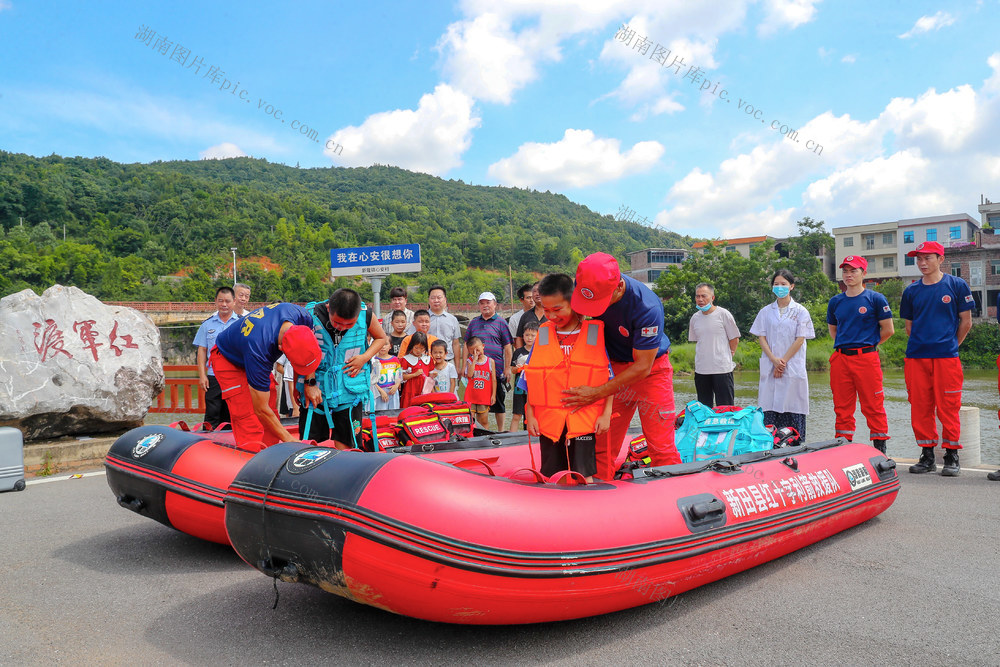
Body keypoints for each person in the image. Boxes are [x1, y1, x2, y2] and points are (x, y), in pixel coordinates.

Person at [563, 253, 680, 480]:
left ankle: (673, 497)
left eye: (599, 303)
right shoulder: (588, 284)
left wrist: (595, 393)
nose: (593, 309)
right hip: (611, 368)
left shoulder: (647, 307)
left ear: (618, 287)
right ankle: (597, 493)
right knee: (602, 440)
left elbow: (642, 367)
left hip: (650, 373)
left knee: (660, 445)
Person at [524, 274, 613, 483]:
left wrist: (606, 414)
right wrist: (531, 416)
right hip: (549, 419)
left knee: (584, 473)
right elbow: (530, 381)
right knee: (556, 473)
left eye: (557, 309)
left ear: (573, 303)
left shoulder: (594, 333)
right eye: (546, 310)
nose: (552, 315)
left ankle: (586, 510)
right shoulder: (543, 335)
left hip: (582, 417)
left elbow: (608, 378)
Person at [900, 241, 973, 476]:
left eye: (927, 258)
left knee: (948, 407)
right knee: (920, 406)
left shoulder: (957, 285)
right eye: (918, 259)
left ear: (941, 259)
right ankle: (927, 455)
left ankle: (952, 455)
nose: (922, 263)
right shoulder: (911, 291)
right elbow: (909, 327)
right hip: (917, 357)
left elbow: (966, 322)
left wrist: (951, 345)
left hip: (946, 358)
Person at [211, 302, 322, 448]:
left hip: (249, 349)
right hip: (228, 359)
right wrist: (291, 441)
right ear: (281, 350)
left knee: (272, 409)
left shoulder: (302, 316)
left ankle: (272, 452)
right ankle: (252, 457)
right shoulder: (259, 351)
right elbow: (261, 410)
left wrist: (307, 383)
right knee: (249, 417)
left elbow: (305, 353)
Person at [299, 288, 388, 448]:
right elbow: (302, 351)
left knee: (349, 442)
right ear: (328, 309)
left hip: (350, 390)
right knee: (311, 443)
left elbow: (381, 338)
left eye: (350, 324)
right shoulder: (310, 315)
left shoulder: (366, 314)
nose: (342, 327)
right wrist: (308, 384)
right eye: (337, 322)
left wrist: (364, 358)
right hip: (317, 387)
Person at [826, 256, 894, 454]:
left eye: (853, 271)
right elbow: (834, 330)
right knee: (842, 405)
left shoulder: (875, 299)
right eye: (845, 271)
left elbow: (888, 330)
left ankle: (880, 449)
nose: (848, 275)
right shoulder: (835, 302)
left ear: (864, 273)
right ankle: (843, 446)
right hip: (841, 358)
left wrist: (869, 344)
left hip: (866, 358)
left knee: (873, 404)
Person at [750, 269, 816, 441]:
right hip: (770, 365)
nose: (779, 287)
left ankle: (795, 445)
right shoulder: (765, 311)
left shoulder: (800, 311)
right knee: (769, 407)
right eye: (776, 284)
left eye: (783, 284)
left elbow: (800, 339)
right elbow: (761, 337)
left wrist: (782, 362)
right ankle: (769, 447)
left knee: (792, 405)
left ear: (791, 286)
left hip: (792, 366)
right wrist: (773, 360)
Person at [465, 292, 513, 431]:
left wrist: (507, 368)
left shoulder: (501, 322)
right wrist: (463, 366)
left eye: (488, 302)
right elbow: (466, 344)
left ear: (495, 304)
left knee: (498, 401)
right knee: (474, 403)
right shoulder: (474, 322)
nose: (485, 305)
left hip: (495, 370)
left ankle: (501, 430)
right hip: (476, 373)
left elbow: (507, 346)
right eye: (482, 303)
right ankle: (476, 431)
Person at [687, 282, 741, 408]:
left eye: (704, 296)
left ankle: (726, 428)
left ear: (712, 298)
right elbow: (698, 340)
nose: (700, 299)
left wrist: (729, 354)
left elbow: (734, 338)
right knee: (704, 408)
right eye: (697, 296)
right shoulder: (695, 318)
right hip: (702, 369)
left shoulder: (723, 314)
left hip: (722, 368)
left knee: (726, 408)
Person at [193, 286, 239, 428]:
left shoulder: (241, 323)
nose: (224, 305)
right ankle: (209, 443)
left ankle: (230, 446)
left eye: (227, 301)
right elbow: (202, 351)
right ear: (215, 301)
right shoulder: (207, 325)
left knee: (232, 414)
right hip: (213, 376)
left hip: (235, 376)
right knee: (212, 413)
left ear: (234, 301)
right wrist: (202, 375)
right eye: (220, 301)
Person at [427, 285, 465, 380]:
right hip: (427, 363)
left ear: (445, 299)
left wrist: (457, 366)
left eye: (439, 297)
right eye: (433, 298)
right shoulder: (422, 318)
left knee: (449, 392)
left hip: (448, 362)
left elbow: (455, 344)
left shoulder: (452, 319)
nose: (436, 300)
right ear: (429, 300)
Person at [510, 321, 538, 431]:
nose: (529, 338)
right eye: (527, 335)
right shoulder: (518, 352)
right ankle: (512, 438)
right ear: (523, 336)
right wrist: (518, 368)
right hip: (519, 389)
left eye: (532, 335)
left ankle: (531, 437)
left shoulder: (540, 351)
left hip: (534, 389)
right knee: (517, 415)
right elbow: (512, 369)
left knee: (532, 415)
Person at [464, 336, 496, 428]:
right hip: (471, 396)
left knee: (484, 420)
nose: (476, 353)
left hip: (484, 396)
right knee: (470, 420)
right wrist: (474, 360)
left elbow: (494, 379)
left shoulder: (490, 361)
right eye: (473, 351)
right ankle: (472, 437)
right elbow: (469, 375)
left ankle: (485, 437)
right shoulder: (470, 361)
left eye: (477, 349)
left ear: (483, 346)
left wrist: (493, 395)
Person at [400, 332, 434, 408]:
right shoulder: (405, 360)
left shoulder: (428, 359)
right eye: (416, 348)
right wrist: (414, 374)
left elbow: (430, 375)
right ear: (412, 346)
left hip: (424, 390)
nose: (419, 350)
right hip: (410, 390)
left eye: (422, 348)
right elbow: (402, 377)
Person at [371, 339, 402, 411]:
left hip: (393, 391)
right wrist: (381, 391)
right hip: (379, 393)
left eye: (385, 344)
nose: (383, 347)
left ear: (390, 346)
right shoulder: (374, 361)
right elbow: (371, 379)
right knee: (381, 413)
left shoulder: (395, 360)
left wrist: (396, 386)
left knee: (394, 412)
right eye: (380, 344)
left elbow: (399, 375)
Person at [515, 282, 546, 348]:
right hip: (528, 355)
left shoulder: (553, 315)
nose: (537, 294)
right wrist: (521, 354)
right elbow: (519, 337)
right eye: (535, 291)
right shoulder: (525, 316)